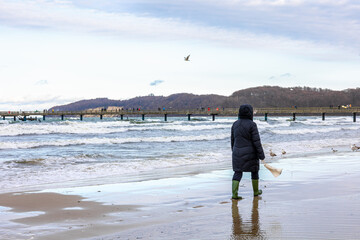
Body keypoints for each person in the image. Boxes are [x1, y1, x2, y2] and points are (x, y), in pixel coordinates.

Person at [231, 104, 265, 200]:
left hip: (237, 152)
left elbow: (232, 140)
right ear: (250, 113)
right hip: (251, 153)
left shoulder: (235, 124)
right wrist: (261, 155)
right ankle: (256, 192)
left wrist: (234, 151)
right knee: (254, 172)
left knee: (237, 172)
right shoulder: (252, 124)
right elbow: (256, 142)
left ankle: (234, 194)